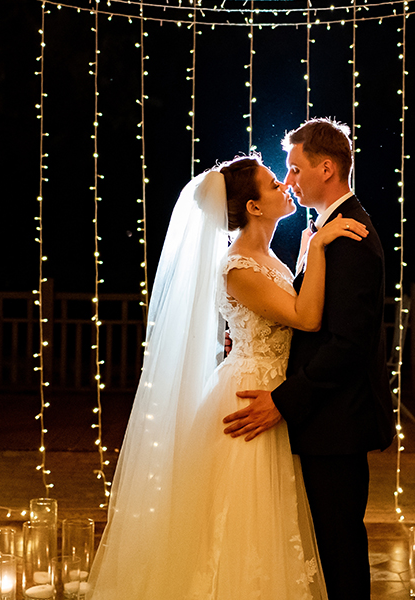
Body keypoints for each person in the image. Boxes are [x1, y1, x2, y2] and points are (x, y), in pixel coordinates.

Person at [86, 154, 368, 599]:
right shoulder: (238, 267)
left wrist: (303, 259)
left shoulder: (267, 256)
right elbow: (307, 319)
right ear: (253, 207)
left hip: (279, 394)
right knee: (242, 527)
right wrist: (316, 248)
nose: (286, 187)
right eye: (275, 183)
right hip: (250, 396)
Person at [223, 118, 396, 598]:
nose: (291, 181)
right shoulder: (322, 233)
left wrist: (282, 400)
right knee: (318, 548)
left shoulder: (351, 236)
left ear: (326, 168)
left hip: (336, 421)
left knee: (338, 550)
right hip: (316, 419)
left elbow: (347, 346)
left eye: (296, 170)